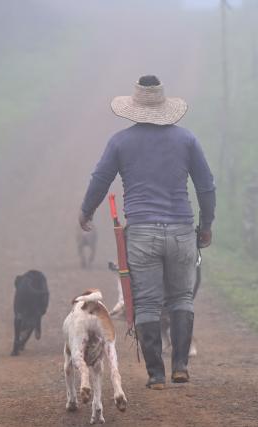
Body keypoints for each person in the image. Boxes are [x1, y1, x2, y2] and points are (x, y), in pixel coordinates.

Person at [78, 75, 216, 390]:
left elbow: (101, 179)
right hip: (181, 230)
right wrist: (206, 225)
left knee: (148, 302)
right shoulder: (187, 140)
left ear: (134, 107)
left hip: (141, 233)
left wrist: (86, 211)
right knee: (182, 297)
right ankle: (180, 365)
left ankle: (155, 374)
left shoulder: (120, 142)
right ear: (164, 106)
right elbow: (206, 186)